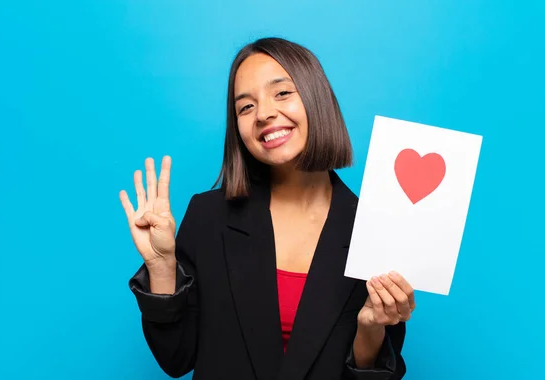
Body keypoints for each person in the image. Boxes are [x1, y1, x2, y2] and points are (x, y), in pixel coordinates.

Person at [119, 37, 416, 380]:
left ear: (316, 98)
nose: (263, 114)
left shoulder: (377, 230)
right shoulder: (208, 217)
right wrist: (161, 267)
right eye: (245, 107)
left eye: (282, 93)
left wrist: (370, 331)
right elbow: (176, 358)